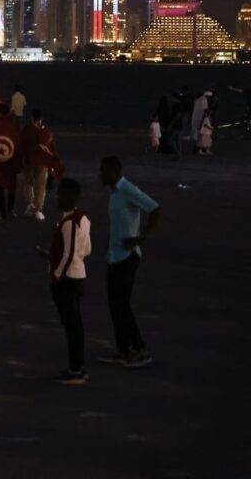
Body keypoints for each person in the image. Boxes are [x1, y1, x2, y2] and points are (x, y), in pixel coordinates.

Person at [98, 156, 159, 369]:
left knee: (122, 305)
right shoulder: (114, 193)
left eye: (103, 171)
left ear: (115, 172)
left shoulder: (128, 190)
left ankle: (140, 349)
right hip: (114, 256)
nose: (100, 175)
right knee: (116, 306)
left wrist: (141, 237)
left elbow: (154, 208)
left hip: (127, 257)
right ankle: (123, 350)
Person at [35, 178, 91, 385]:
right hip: (78, 275)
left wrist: (56, 274)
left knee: (72, 327)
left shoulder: (69, 223)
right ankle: (78, 367)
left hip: (68, 280)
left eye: (61, 194)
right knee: (75, 326)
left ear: (70, 196)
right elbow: (86, 249)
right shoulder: (83, 219)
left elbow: (67, 255)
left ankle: (75, 370)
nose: (57, 197)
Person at [20, 109, 63, 221]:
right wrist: (53, 162)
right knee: (40, 186)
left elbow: (21, 145)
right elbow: (51, 149)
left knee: (28, 184)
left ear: (31, 117)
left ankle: (31, 205)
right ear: (41, 118)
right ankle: (37, 208)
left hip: (29, 161)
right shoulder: (46, 132)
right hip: (42, 162)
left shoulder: (26, 130)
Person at [0, 102, 22, 221]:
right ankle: (10, 210)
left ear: (0, 112)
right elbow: (17, 142)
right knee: (12, 186)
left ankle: (3, 214)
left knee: (0, 187)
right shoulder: (12, 125)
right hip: (11, 160)